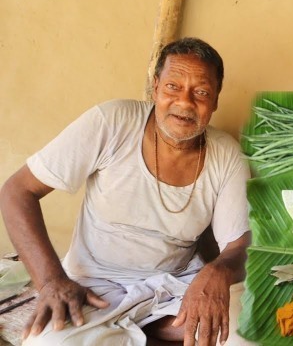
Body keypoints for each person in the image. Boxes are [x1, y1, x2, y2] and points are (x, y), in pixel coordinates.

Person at [0, 37, 253, 346]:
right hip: (92, 288)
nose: (185, 102)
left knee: (246, 338)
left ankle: (151, 329)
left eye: (201, 92)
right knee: (47, 343)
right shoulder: (112, 121)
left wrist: (218, 271)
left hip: (174, 290)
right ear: (156, 87)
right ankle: (140, 331)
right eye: (173, 87)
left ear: (214, 101)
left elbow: (238, 244)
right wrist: (52, 281)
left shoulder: (226, 154)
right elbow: (17, 192)